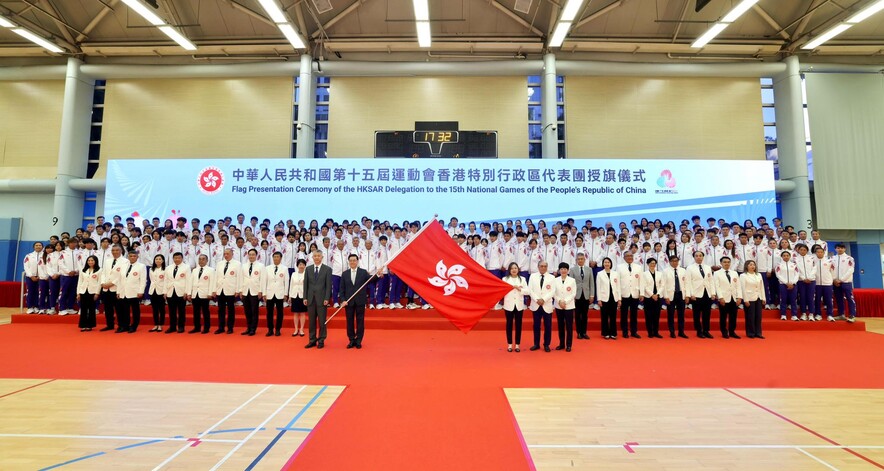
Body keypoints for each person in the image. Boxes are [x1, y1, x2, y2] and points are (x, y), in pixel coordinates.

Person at [340, 254, 371, 349]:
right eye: (351, 260)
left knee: (360, 321)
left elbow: (371, 280)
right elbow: (342, 289)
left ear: (357, 261)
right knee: (349, 321)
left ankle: (358, 340)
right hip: (349, 302)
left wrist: (378, 274)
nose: (352, 262)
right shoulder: (345, 274)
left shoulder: (363, 272)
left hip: (360, 301)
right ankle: (351, 340)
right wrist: (343, 300)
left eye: (354, 260)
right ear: (348, 262)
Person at [304, 250, 333, 349]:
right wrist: (305, 297)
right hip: (310, 299)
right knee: (311, 321)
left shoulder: (327, 269)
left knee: (322, 322)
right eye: (315, 256)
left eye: (318, 256)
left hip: (322, 299)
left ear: (322, 257)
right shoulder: (308, 269)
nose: (316, 257)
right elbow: (306, 285)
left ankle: (321, 340)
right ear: (312, 257)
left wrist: (327, 298)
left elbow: (328, 285)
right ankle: (312, 340)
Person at [685, 251, 716, 338]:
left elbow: (711, 281)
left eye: (700, 256)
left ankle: (706, 330)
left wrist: (713, 293)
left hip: (707, 293)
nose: (699, 257)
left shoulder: (707, 267)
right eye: (697, 256)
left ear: (703, 257)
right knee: (697, 314)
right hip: (696, 294)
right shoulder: (690, 268)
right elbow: (688, 282)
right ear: (694, 257)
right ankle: (699, 331)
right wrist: (691, 294)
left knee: (707, 314)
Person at [528, 261, 555, 352]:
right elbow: (530, 290)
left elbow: (552, 291)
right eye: (541, 266)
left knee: (548, 326)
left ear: (547, 267)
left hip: (546, 304)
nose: (543, 268)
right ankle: (536, 344)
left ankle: (546, 344)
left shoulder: (551, 277)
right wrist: (537, 299)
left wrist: (543, 299)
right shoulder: (533, 276)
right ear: (538, 267)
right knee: (536, 325)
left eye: (545, 266)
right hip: (536, 304)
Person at [100, 244, 128, 332]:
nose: (115, 252)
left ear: (121, 251)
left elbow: (122, 275)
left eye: (117, 250)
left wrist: (111, 283)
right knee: (108, 308)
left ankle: (122, 325)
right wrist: (103, 283)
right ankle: (110, 324)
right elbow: (103, 273)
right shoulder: (108, 261)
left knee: (119, 309)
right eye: (113, 250)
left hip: (117, 288)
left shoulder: (125, 261)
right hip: (106, 288)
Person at [713, 256, 742, 339]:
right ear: (721, 263)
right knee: (723, 316)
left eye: (728, 262)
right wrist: (720, 297)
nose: (727, 263)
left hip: (734, 297)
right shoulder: (716, 273)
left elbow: (738, 286)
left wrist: (739, 297)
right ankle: (724, 331)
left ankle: (732, 331)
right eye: (725, 262)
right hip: (724, 298)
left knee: (733, 316)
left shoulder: (734, 273)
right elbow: (717, 286)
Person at [501, 262, 527, 352]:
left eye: (515, 268)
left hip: (519, 305)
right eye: (512, 268)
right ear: (509, 270)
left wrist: (520, 289)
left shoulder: (522, 279)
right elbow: (502, 291)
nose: (514, 270)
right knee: (509, 324)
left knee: (518, 325)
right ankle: (509, 344)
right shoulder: (505, 279)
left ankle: (517, 345)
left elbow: (527, 291)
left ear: (518, 269)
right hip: (509, 305)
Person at [263, 251, 289, 336]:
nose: (276, 258)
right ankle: (270, 329)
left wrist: (285, 293)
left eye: (278, 257)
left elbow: (286, 282)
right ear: (272, 258)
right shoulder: (267, 268)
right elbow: (264, 281)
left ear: (281, 258)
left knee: (280, 312)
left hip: (280, 293)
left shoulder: (284, 268)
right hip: (269, 292)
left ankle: (278, 329)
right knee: (269, 312)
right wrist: (264, 293)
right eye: (275, 257)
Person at [120, 250, 146, 333]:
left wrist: (141, 291)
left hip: (135, 292)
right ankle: (125, 326)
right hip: (124, 291)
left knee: (135, 310)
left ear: (137, 257)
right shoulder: (123, 265)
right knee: (124, 310)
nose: (132, 258)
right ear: (128, 257)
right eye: (130, 256)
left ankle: (134, 326)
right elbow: (120, 279)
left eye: (134, 256)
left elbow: (143, 280)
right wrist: (118, 291)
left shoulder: (141, 266)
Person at [216, 248, 241, 334]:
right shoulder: (219, 264)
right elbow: (217, 277)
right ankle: (221, 327)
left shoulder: (237, 264)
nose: (226, 255)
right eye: (225, 254)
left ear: (232, 254)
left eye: (228, 254)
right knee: (220, 310)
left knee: (231, 310)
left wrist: (238, 290)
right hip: (220, 289)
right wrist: (215, 289)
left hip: (231, 290)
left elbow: (238, 278)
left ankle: (230, 327)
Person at [617, 252, 642, 339]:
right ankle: (624, 331)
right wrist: (618, 296)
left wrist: (641, 293)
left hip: (635, 293)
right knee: (624, 314)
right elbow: (617, 283)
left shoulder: (638, 267)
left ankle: (634, 331)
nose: (629, 257)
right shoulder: (619, 267)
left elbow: (641, 281)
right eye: (627, 256)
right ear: (624, 257)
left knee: (634, 314)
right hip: (624, 294)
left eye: (631, 256)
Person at [189, 254, 216, 334]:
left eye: (203, 259)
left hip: (205, 294)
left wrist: (210, 292)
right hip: (195, 293)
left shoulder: (211, 270)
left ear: (207, 261)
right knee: (196, 312)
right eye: (200, 259)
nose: (201, 261)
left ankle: (206, 328)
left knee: (205, 312)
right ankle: (197, 327)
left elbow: (212, 282)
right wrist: (189, 293)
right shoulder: (194, 270)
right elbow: (190, 282)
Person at [241, 248, 265, 336]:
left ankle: (253, 329)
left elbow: (262, 280)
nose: (251, 256)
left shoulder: (261, 266)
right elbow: (241, 279)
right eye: (250, 254)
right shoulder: (243, 266)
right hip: (245, 290)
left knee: (254, 311)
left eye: (253, 254)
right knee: (247, 311)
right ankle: (248, 327)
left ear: (256, 255)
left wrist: (261, 291)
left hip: (255, 291)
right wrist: (240, 290)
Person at [165, 252, 190, 333]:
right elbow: (165, 280)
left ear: (182, 258)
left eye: (179, 258)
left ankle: (181, 326)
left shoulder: (186, 267)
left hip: (181, 292)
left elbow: (188, 280)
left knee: (181, 311)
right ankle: (172, 327)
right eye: (175, 258)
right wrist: (164, 292)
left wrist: (187, 292)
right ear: (173, 259)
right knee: (171, 311)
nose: (177, 259)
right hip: (170, 291)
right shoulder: (168, 268)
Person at [595, 257, 621, 339]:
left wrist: (619, 299)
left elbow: (618, 287)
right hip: (604, 298)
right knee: (604, 316)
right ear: (603, 264)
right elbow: (598, 287)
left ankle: (613, 333)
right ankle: (605, 333)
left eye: (608, 262)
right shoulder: (600, 274)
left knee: (613, 316)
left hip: (614, 298)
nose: (607, 264)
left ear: (611, 264)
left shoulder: (615, 273)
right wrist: (599, 299)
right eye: (605, 262)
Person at [554, 262, 577, 352]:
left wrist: (565, 302)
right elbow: (554, 293)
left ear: (568, 270)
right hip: (558, 305)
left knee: (569, 326)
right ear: (559, 270)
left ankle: (569, 345)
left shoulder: (572, 280)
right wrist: (559, 301)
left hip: (569, 306)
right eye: (561, 269)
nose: (563, 270)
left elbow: (573, 293)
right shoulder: (555, 280)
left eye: (565, 269)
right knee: (560, 325)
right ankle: (561, 344)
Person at [640, 258, 665, 338]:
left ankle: (656, 332)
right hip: (648, 297)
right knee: (649, 315)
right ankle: (650, 332)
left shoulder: (660, 274)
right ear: (648, 264)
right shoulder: (644, 274)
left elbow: (662, 285)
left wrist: (657, 294)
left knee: (656, 315)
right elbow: (644, 286)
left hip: (658, 297)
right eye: (651, 263)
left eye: (654, 263)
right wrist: (652, 295)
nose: (653, 265)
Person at [740, 260, 766, 339]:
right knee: (750, 316)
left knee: (758, 316)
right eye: (750, 265)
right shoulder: (743, 275)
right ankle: (750, 332)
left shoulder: (758, 275)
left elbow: (762, 287)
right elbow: (743, 288)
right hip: (749, 297)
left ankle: (758, 332)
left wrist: (763, 298)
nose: (752, 266)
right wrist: (745, 299)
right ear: (746, 266)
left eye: (754, 265)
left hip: (758, 297)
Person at [831, 243, 856, 323]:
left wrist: (841, 279)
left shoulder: (849, 258)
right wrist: (834, 279)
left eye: (841, 248)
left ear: (844, 249)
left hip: (846, 282)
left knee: (849, 298)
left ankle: (852, 315)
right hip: (836, 282)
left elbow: (851, 270)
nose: (840, 249)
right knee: (838, 299)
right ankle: (841, 314)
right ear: (835, 249)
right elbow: (831, 270)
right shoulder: (832, 258)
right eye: (838, 248)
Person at [572, 254, 595, 340]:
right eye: (579, 259)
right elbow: (571, 283)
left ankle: (584, 332)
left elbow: (591, 283)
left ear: (584, 260)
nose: (580, 260)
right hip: (576, 295)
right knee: (577, 315)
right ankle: (579, 332)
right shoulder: (572, 270)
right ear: (576, 260)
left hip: (586, 295)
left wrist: (592, 295)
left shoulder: (589, 269)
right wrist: (572, 295)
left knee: (585, 315)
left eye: (582, 259)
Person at [76, 255, 101, 332]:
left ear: (95, 261)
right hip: (83, 291)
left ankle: (90, 325)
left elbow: (99, 282)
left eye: (92, 260)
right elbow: (80, 282)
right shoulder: (83, 270)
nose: (90, 262)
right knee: (83, 309)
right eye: (89, 260)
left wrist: (97, 293)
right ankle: (83, 325)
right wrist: (78, 293)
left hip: (92, 292)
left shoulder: (99, 270)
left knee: (91, 309)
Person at [794, 244, 817, 321]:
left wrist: (809, 278)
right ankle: (803, 313)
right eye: (801, 250)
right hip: (801, 281)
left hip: (811, 281)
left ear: (807, 251)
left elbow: (814, 268)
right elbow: (796, 270)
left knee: (810, 297)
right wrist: (803, 278)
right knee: (802, 297)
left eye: (804, 250)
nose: (803, 251)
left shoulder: (811, 258)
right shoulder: (795, 259)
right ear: (798, 250)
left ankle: (811, 314)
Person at [776, 250, 800, 321]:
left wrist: (793, 283)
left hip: (793, 285)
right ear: (782, 257)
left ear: (790, 256)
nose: (786, 257)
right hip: (783, 285)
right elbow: (778, 275)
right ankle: (783, 315)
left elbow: (797, 274)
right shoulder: (779, 265)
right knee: (783, 300)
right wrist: (786, 283)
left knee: (793, 300)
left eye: (787, 256)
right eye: (784, 256)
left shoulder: (794, 265)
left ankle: (794, 315)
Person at [147, 254, 167, 332]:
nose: (158, 260)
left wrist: (165, 292)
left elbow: (166, 281)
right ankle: (156, 324)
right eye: (156, 259)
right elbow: (151, 280)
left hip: (161, 291)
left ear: (163, 261)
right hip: (152, 291)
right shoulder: (151, 269)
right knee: (154, 309)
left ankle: (160, 325)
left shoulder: (165, 269)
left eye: (159, 259)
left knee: (161, 309)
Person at [23, 242, 44, 314]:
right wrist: (31, 276)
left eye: (40, 245)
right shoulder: (28, 256)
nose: (38, 247)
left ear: (42, 247)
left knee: (39, 292)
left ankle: (37, 306)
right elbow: (26, 267)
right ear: (33, 247)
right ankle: (30, 307)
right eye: (36, 245)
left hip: (41, 277)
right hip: (30, 277)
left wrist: (41, 275)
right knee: (30, 292)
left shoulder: (45, 255)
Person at [288, 259, 308, 337]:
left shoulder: (307, 274)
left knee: (302, 313)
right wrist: (290, 296)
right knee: (295, 313)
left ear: (305, 266)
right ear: (297, 265)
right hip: (294, 294)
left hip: (303, 295)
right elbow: (291, 285)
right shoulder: (293, 274)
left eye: (303, 264)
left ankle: (301, 329)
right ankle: (296, 329)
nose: (301, 266)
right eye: (300, 264)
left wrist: (307, 296)